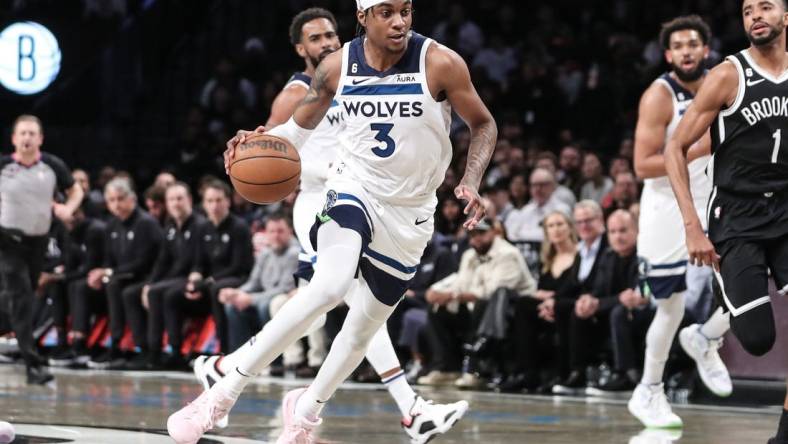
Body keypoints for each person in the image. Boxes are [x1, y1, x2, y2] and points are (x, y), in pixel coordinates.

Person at [167, 1, 497, 442]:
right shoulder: (337, 68)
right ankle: (221, 396)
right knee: (328, 285)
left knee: (362, 328)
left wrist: (472, 180)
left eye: (405, 10)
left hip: (412, 213)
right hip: (350, 190)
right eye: (386, 12)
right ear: (363, 18)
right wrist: (259, 139)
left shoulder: (439, 61)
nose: (399, 21)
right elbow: (294, 132)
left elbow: (483, 123)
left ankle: (305, 414)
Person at [664, 2, 788, 442]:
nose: (755, 14)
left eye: (766, 6)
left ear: (786, 17)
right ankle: (709, 329)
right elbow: (674, 148)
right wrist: (692, 227)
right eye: (747, 9)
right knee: (757, 339)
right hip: (737, 218)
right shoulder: (728, 75)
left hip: (785, 210)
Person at [630, 15, 733, 429]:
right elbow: (642, 164)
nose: (688, 50)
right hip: (666, 207)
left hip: (715, 197)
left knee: (748, 271)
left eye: (695, 43)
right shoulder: (659, 96)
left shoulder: (723, 81)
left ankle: (706, 336)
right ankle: (649, 389)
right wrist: (700, 143)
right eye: (679, 46)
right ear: (669, 55)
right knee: (669, 308)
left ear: (706, 50)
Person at [0, 115, 84, 384]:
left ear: (40, 138)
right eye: (22, 133)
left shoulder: (51, 166)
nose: (27, 138)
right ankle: (33, 363)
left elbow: (75, 190)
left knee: (22, 298)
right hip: (7, 241)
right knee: (22, 296)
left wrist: (67, 209)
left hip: (37, 243)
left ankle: (24, 351)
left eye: (32, 133)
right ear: (14, 138)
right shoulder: (3, 167)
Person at [121, 182, 207, 369]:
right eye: (171, 199)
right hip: (173, 278)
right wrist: (149, 283)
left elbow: (196, 262)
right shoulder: (169, 226)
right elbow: (162, 261)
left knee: (161, 293)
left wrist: (155, 286)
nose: (176, 203)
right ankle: (145, 349)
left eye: (179, 198)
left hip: (192, 278)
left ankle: (171, 351)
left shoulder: (200, 225)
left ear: (189, 200)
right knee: (133, 293)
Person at [87, 177, 163, 369]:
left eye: (120, 198)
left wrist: (108, 271)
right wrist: (103, 272)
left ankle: (141, 348)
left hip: (148, 277)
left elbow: (144, 262)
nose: (116, 204)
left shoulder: (146, 223)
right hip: (124, 277)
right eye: (112, 200)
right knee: (108, 285)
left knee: (125, 291)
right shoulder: (111, 225)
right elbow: (109, 259)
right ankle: (115, 345)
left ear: (132, 199)